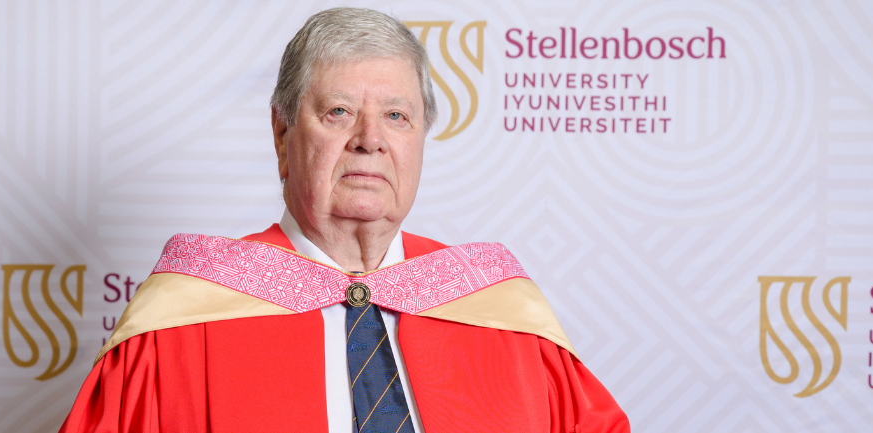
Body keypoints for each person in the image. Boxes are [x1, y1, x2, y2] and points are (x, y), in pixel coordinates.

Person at [59, 7, 629, 433]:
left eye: (397, 116)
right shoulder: (178, 321)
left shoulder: (505, 314)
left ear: (421, 140)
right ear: (282, 134)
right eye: (339, 112)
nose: (371, 141)